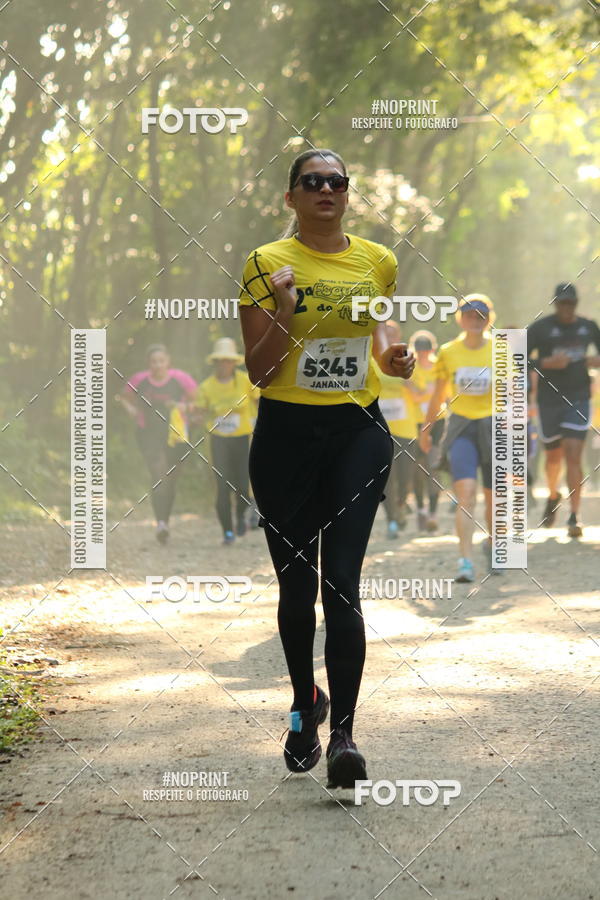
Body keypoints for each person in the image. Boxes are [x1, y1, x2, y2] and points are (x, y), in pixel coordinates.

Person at [238, 148, 415, 788]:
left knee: (341, 580)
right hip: (285, 435)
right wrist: (285, 312)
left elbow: (381, 326)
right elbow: (259, 370)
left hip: (356, 431)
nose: (326, 190)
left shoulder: (377, 260)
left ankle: (344, 735)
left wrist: (394, 356)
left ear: (347, 194)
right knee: (296, 587)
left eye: (337, 181)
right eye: (312, 182)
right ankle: (304, 704)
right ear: (291, 198)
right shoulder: (266, 263)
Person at [419, 295, 498, 583]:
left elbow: (513, 395)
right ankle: (465, 560)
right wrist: (427, 429)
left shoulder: (500, 350)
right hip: (462, 427)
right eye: (469, 315)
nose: (475, 321)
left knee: (494, 498)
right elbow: (438, 394)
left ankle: (492, 542)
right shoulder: (449, 352)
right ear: (460, 319)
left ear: (489, 318)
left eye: (481, 316)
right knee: (466, 495)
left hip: (494, 427)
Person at [527, 282, 600, 537]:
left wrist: (597, 360)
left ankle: (574, 516)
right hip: (548, 401)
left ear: (576, 304)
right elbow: (513, 356)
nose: (567, 308)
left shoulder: (588, 326)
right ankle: (553, 493)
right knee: (554, 457)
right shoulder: (540, 328)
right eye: (562, 303)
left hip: (579, 398)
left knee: (573, 454)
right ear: (555, 304)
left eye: (571, 303)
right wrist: (544, 362)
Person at [120, 345, 196, 544]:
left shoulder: (181, 379)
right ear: (149, 363)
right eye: (154, 361)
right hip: (148, 433)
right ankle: (161, 523)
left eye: (161, 361)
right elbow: (125, 397)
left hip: (176, 434)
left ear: (168, 362)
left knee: (170, 479)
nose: (157, 365)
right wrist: (130, 409)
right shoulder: (140, 380)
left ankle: (165, 520)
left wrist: (185, 408)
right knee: (159, 474)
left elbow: (197, 402)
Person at [193, 337, 258, 544]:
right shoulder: (206, 387)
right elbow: (199, 412)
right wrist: (195, 416)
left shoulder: (246, 381)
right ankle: (227, 532)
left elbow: (260, 401)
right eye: (220, 360)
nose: (224, 364)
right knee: (222, 487)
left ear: (234, 362)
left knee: (243, 484)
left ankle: (240, 517)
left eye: (228, 360)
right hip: (218, 440)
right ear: (215, 362)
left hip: (243, 438)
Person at [376, 321, 418, 537]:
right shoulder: (374, 358)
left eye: (394, 334)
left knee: (405, 476)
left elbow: (421, 391)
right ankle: (392, 519)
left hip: (405, 427)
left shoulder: (409, 357)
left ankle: (401, 505)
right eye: (386, 333)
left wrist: (409, 383)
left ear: (400, 335)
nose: (390, 337)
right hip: (381, 426)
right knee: (385, 476)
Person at [408, 329, 444, 532]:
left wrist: (426, 392)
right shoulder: (410, 367)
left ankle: (432, 513)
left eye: (426, 350)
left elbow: (444, 393)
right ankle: (420, 509)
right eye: (419, 350)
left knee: (434, 466)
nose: (423, 354)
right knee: (417, 469)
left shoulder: (440, 366)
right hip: (415, 423)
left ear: (433, 349)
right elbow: (413, 394)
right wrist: (428, 392)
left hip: (439, 422)